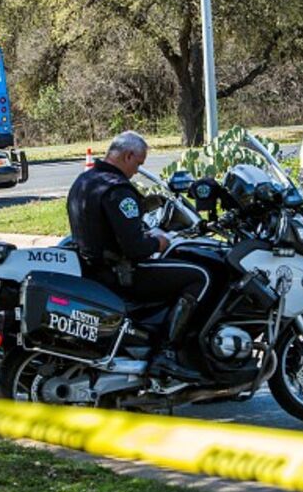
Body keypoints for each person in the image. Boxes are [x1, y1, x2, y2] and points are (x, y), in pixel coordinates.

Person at [67, 130, 209, 381]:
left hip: (93, 267)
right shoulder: (117, 189)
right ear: (128, 155)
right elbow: (135, 248)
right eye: (138, 164)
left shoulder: (84, 181)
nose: (136, 171)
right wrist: (159, 242)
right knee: (200, 276)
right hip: (121, 275)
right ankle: (165, 352)